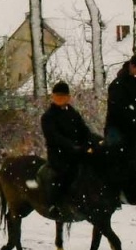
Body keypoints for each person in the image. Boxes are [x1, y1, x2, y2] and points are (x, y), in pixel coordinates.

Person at [41, 81, 100, 213]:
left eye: (63, 96)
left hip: (77, 150)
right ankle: (54, 203)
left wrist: (92, 141)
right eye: (57, 96)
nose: (60, 99)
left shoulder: (73, 114)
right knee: (63, 173)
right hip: (59, 154)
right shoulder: (48, 117)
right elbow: (54, 137)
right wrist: (72, 146)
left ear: (68, 98)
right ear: (53, 97)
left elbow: (84, 130)